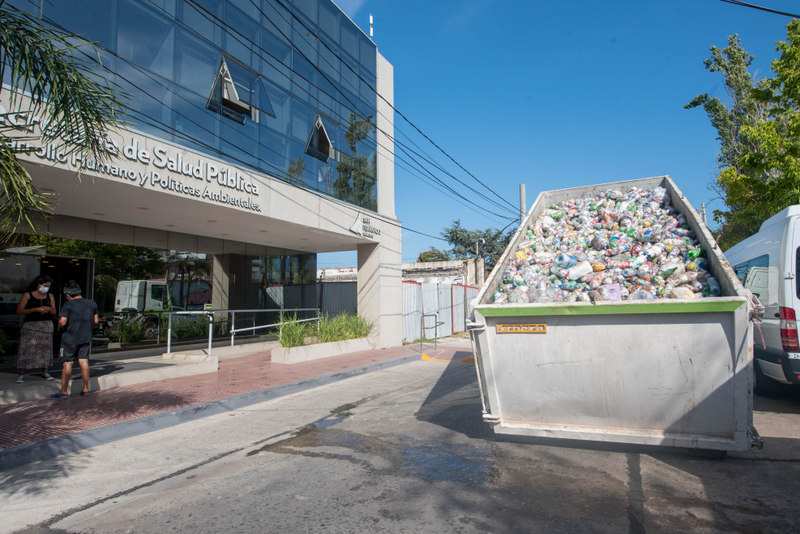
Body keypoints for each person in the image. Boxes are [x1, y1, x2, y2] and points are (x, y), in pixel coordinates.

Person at [56, 281, 99, 398]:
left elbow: (63, 322)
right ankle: (86, 389)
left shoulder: (68, 305)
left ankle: (64, 391)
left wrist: (59, 323)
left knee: (67, 363)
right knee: (83, 361)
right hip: (85, 337)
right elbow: (96, 321)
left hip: (69, 338)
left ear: (68, 295)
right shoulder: (92, 303)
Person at [15, 275, 56, 383]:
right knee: (27, 349)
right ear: (38, 284)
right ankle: (21, 373)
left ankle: (45, 371)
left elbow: (54, 312)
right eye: (45, 285)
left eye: (48, 286)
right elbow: (19, 311)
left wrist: (49, 309)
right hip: (31, 326)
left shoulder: (50, 296)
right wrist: (35, 309)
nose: (46, 288)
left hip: (46, 326)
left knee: (45, 350)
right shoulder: (28, 295)